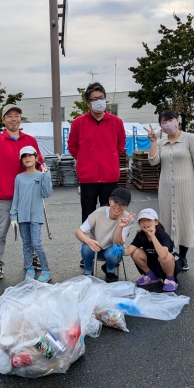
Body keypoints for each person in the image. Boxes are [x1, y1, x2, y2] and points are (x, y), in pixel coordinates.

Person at [0, 104, 43, 280]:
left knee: (30, 231)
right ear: (3, 120)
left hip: (29, 196)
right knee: (1, 232)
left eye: (17, 115)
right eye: (9, 116)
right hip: (6, 195)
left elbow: (40, 164)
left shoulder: (30, 140)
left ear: (20, 119)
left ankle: (31, 259)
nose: (14, 119)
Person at [144, 110, 194, 271]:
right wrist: (153, 141)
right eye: (164, 122)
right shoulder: (161, 142)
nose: (168, 124)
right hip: (166, 188)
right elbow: (153, 161)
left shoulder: (189, 139)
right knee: (166, 220)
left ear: (177, 120)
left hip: (185, 188)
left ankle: (183, 256)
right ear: (160, 126)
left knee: (184, 221)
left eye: (170, 120)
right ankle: (169, 254)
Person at [67, 82, 126, 268]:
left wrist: (110, 158)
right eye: (94, 99)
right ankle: (88, 253)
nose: (99, 102)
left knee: (111, 215)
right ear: (88, 103)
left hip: (110, 177)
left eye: (101, 98)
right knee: (88, 216)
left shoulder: (116, 122)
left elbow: (120, 145)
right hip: (88, 178)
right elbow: (73, 147)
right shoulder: (78, 123)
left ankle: (110, 253)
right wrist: (85, 161)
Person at [10, 146, 53, 283]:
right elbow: (15, 198)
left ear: (36, 158)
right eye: (24, 156)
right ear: (21, 160)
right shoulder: (19, 178)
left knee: (36, 243)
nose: (27, 158)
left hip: (35, 216)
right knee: (26, 244)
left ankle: (46, 270)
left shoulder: (41, 176)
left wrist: (46, 175)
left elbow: (46, 194)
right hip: (22, 217)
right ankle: (29, 268)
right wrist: (13, 216)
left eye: (30, 155)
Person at [74, 187, 135, 283]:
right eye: (115, 202)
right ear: (110, 200)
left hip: (111, 248)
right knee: (86, 247)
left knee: (116, 250)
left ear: (126, 206)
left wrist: (120, 227)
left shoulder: (128, 219)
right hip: (95, 245)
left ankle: (109, 270)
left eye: (122, 204)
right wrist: (88, 241)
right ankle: (88, 270)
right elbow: (78, 232)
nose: (118, 207)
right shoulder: (99, 212)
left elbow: (117, 244)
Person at [124, 208, 183, 292]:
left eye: (148, 220)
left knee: (165, 257)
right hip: (152, 264)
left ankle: (170, 279)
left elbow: (163, 255)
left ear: (156, 222)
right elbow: (128, 251)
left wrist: (152, 236)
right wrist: (119, 249)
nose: (145, 223)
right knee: (135, 253)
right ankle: (151, 277)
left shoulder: (162, 235)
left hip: (168, 266)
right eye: (142, 220)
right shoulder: (140, 235)